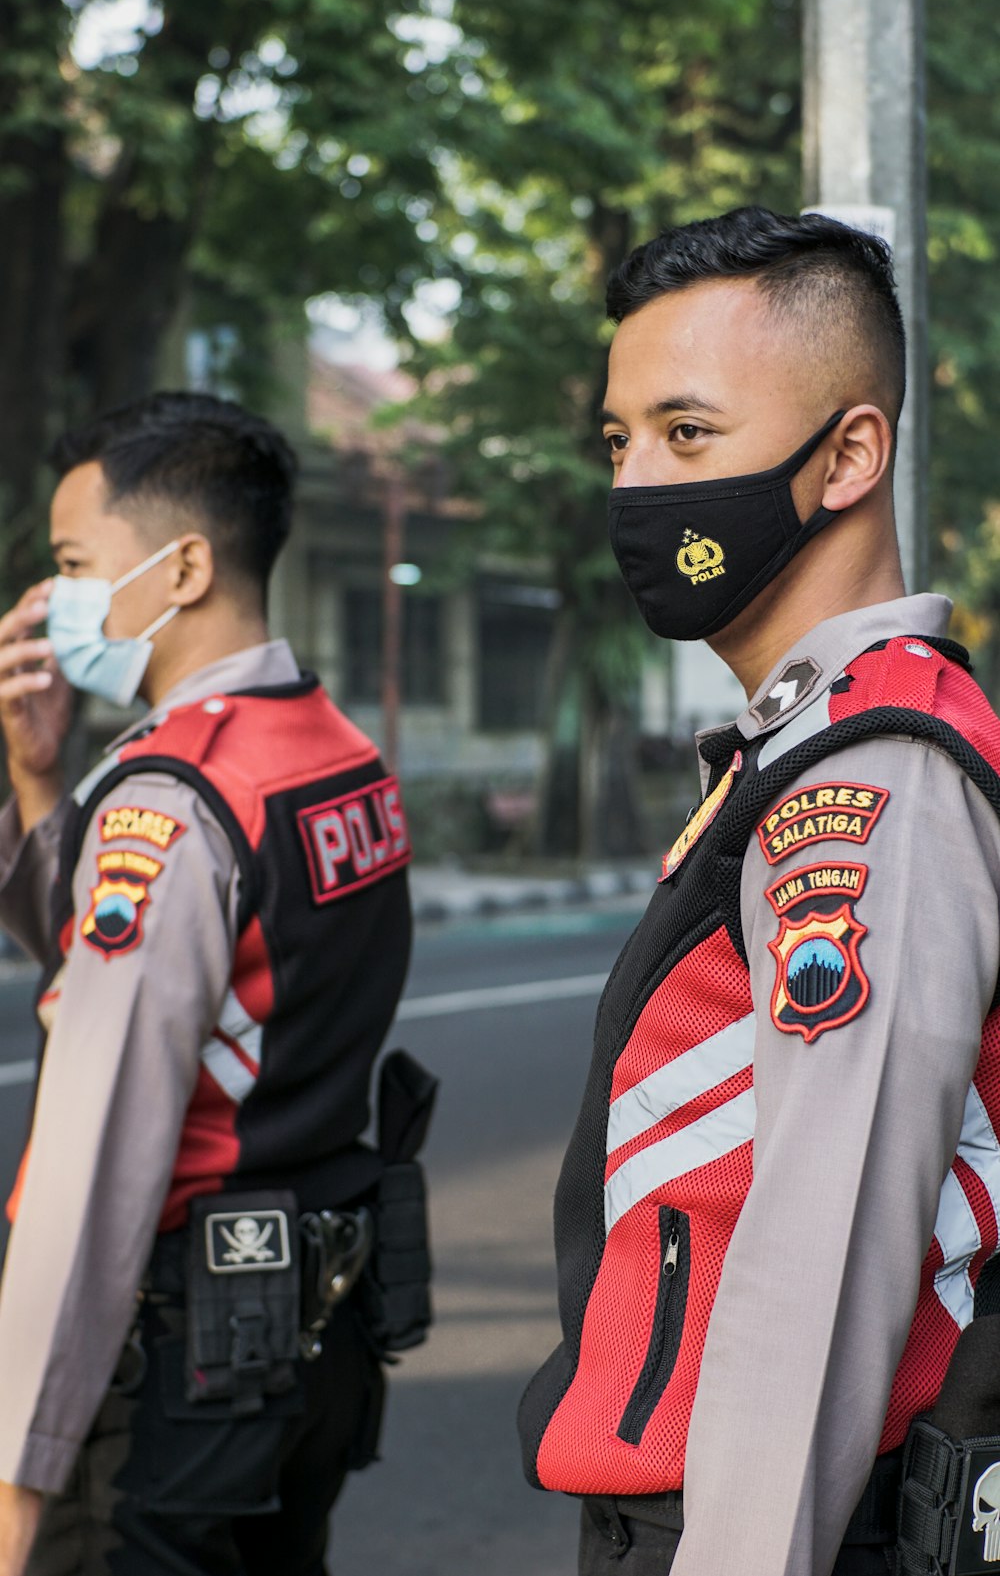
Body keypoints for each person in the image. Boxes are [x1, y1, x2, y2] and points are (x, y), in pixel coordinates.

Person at [517, 207, 1000, 1576]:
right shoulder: (807, 749)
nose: (638, 484)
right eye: (620, 442)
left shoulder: (876, 777)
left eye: (687, 433)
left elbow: (818, 1276)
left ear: (850, 452)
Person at [0, 392, 421, 1576]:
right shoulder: (337, 756)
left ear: (180, 567)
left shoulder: (170, 800)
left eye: (75, 563)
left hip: (175, 1371)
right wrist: (44, 780)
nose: (54, 599)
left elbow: (93, 1154)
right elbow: (146, 975)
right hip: (311, 1347)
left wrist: (20, 1466)